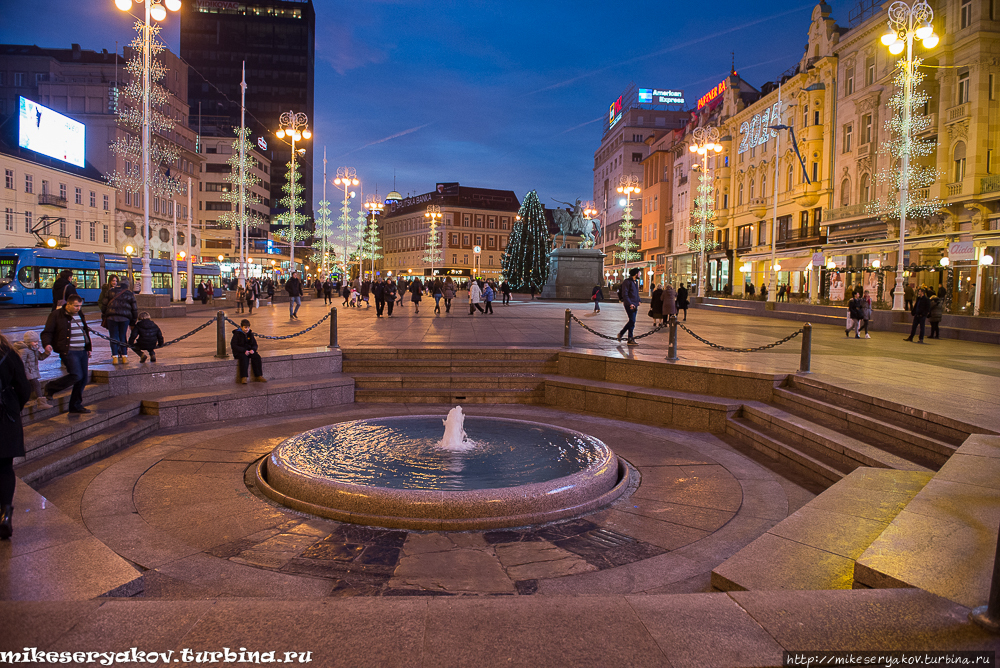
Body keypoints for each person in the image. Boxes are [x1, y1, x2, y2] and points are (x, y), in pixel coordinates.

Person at [0, 331, 31, 539]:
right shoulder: (8, 353)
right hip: (4, 417)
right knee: (4, 468)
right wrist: (13, 408)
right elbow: (24, 387)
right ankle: (5, 514)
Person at [41, 294, 92, 414]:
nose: (78, 308)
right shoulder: (56, 315)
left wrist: (88, 346)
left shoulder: (79, 314)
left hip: (82, 350)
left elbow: (84, 331)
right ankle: (51, 387)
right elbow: (47, 332)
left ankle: (75, 406)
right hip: (68, 350)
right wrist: (46, 344)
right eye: (75, 306)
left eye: (79, 306)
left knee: (83, 378)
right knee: (76, 375)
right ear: (67, 304)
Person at [99, 276, 138, 365]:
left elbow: (104, 305)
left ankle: (115, 357)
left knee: (113, 336)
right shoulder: (129, 293)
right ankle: (124, 357)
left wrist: (106, 314)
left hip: (111, 318)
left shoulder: (110, 291)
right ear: (127, 286)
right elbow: (134, 309)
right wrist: (133, 322)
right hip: (125, 318)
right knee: (123, 336)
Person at [14, 331, 51, 409]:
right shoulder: (24, 350)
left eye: (37, 341)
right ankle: (41, 403)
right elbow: (21, 362)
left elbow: (40, 357)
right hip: (27, 372)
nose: (36, 343)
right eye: (34, 342)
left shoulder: (34, 349)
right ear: (28, 341)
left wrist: (47, 353)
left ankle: (24, 400)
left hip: (31, 371)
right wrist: (22, 373)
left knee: (29, 386)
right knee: (36, 384)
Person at [230, 319, 267, 384]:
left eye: (248, 327)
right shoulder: (237, 334)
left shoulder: (250, 334)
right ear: (241, 327)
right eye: (245, 327)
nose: (247, 329)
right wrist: (243, 350)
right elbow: (234, 345)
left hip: (249, 351)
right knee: (244, 358)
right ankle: (244, 377)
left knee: (256, 357)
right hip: (240, 352)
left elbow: (255, 344)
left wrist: (253, 349)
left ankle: (259, 375)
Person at [617, 267, 641, 345]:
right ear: (635, 274)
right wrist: (630, 303)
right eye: (639, 273)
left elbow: (636, 293)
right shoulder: (627, 282)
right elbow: (625, 294)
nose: (640, 274)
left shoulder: (636, 282)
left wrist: (639, 300)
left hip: (635, 304)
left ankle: (630, 339)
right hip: (629, 304)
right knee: (632, 320)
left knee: (632, 322)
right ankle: (621, 333)